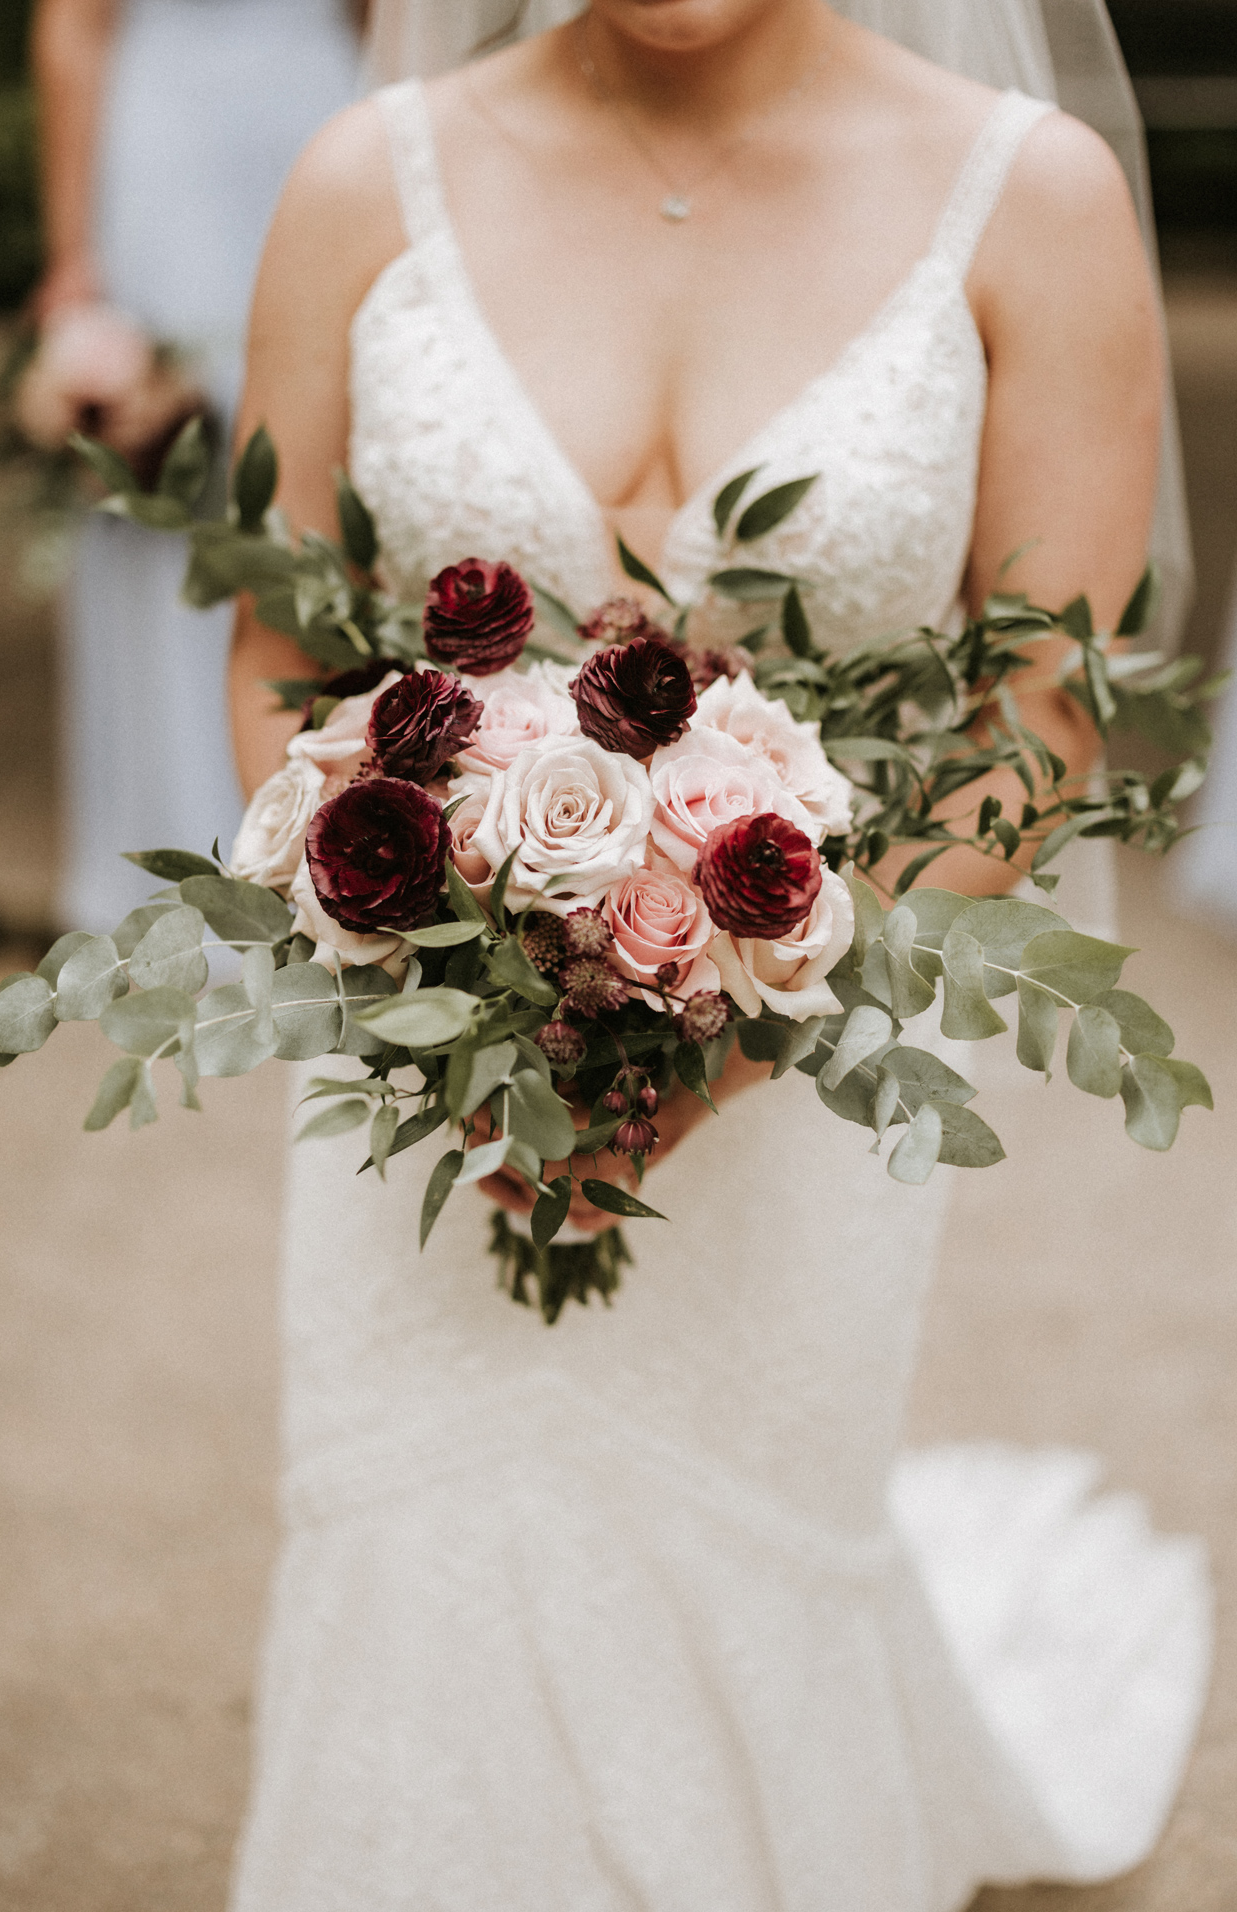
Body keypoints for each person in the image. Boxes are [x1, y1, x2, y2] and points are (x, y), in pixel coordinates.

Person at [218, 0, 1209, 1901]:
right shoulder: (366, 184)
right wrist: (418, 972)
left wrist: (721, 1040)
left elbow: (1040, 720)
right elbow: (280, 643)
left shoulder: (1034, 200)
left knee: (742, 1530)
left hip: (806, 1055)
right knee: (422, 1535)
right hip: (419, 1067)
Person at [26, 0, 362, 933]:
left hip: (327, 112)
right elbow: (72, 22)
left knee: (328, 462)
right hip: (168, 142)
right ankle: (185, 844)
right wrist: (75, 263)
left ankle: (344, 838)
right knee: (165, 473)